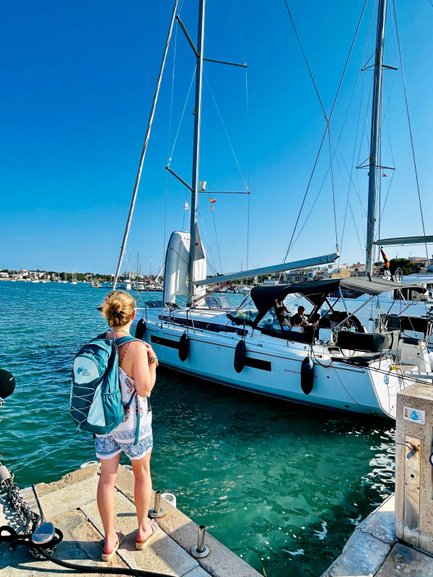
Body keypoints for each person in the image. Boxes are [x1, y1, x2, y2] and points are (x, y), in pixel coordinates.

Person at [96, 290, 159, 561]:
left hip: (104, 423)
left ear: (107, 316)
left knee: (106, 479)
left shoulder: (97, 344)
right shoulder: (136, 348)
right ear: (133, 316)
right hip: (134, 426)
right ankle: (143, 530)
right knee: (141, 474)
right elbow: (144, 389)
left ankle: (109, 539)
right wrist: (153, 362)